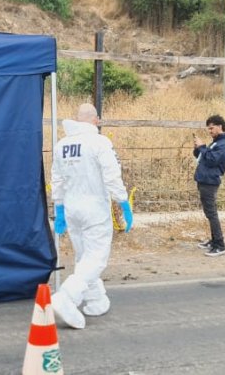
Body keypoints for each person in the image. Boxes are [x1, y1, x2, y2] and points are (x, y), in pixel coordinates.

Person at [50, 103, 132, 329]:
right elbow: (112, 176)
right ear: (96, 120)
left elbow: (57, 179)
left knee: (84, 256)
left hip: (72, 208)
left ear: (77, 119)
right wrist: (123, 202)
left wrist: (59, 208)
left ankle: (96, 300)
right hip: (94, 208)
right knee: (96, 258)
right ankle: (67, 296)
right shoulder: (99, 142)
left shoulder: (62, 145)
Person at [193, 114, 225, 257]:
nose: (209, 131)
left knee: (212, 213)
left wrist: (203, 147)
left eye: (211, 128)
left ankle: (220, 245)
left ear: (220, 127)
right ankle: (214, 240)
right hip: (204, 180)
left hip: (210, 182)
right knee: (209, 213)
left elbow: (211, 160)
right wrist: (198, 148)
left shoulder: (224, 145)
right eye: (208, 129)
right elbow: (202, 157)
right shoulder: (216, 143)